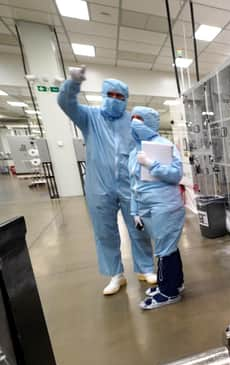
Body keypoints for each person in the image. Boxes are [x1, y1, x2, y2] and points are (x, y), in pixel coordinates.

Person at [58, 66, 156, 296]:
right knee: (105, 231)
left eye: (120, 97)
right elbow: (65, 103)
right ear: (103, 95)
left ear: (126, 99)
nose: (114, 100)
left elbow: (148, 141)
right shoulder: (89, 117)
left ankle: (146, 269)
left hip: (129, 186)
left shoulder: (132, 121)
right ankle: (116, 275)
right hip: (99, 186)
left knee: (139, 227)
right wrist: (73, 83)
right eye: (110, 95)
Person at [128, 106, 185, 310]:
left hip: (165, 206)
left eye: (140, 119)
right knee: (168, 247)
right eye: (133, 118)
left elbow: (176, 174)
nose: (135, 122)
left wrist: (151, 164)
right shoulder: (134, 150)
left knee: (164, 250)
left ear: (150, 122)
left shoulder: (164, 145)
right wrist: (135, 210)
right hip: (147, 207)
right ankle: (175, 283)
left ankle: (167, 292)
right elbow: (133, 184)